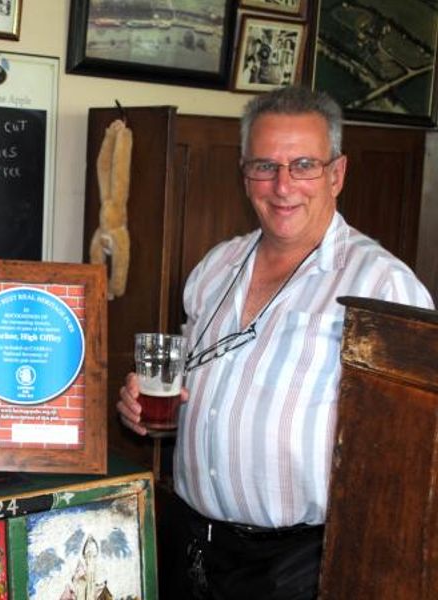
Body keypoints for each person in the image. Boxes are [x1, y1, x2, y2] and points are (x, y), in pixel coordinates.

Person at [117, 86, 434, 599]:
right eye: (265, 166)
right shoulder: (215, 267)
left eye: (304, 164)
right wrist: (149, 409)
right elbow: (189, 391)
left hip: (298, 568)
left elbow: (415, 456)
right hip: (191, 543)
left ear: (337, 174)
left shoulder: (383, 287)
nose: (283, 186)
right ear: (245, 175)